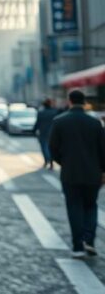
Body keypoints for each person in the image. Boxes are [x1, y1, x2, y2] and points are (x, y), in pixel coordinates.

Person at [48, 90, 105, 258]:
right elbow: (103, 150)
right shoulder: (95, 123)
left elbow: (53, 148)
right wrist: (103, 171)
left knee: (74, 208)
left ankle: (77, 246)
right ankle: (90, 240)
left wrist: (63, 162)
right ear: (84, 101)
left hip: (70, 173)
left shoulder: (59, 122)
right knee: (90, 205)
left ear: (69, 101)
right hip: (93, 174)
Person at [35, 98, 60, 169]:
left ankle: (46, 160)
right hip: (53, 132)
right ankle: (51, 162)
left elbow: (37, 123)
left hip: (43, 132)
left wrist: (34, 130)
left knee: (44, 147)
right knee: (50, 148)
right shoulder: (55, 112)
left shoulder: (41, 113)